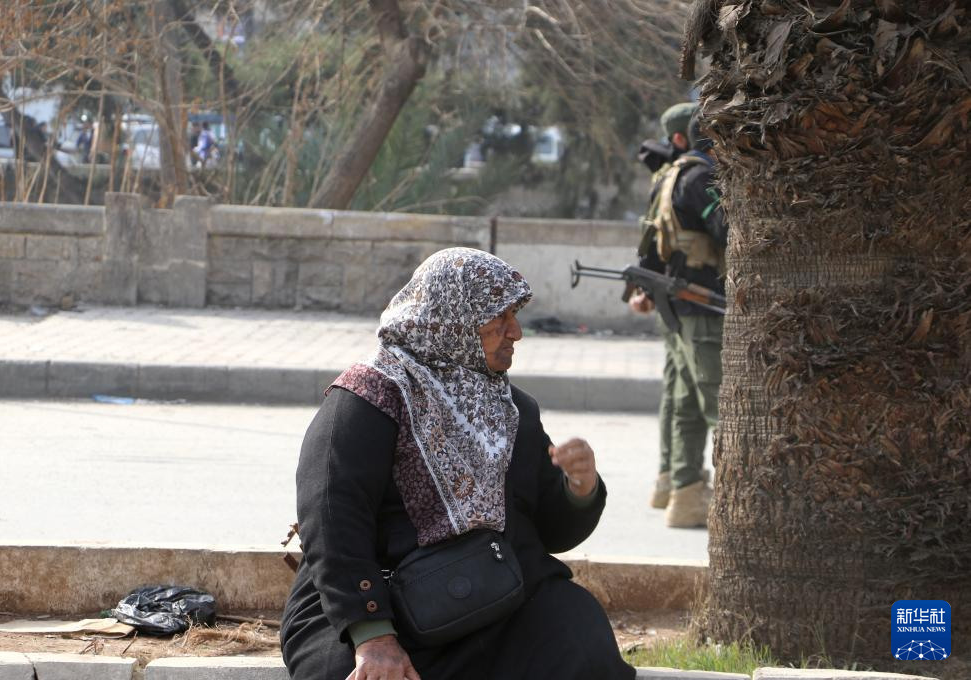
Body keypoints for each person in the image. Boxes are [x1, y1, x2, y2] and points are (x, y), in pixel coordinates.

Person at [280, 248, 635, 680]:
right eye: (498, 320)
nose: (516, 332)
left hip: (498, 597)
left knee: (580, 642)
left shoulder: (512, 410)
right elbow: (331, 517)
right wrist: (373, 636)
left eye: (515, 316)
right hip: (379, 606)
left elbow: (550, 531)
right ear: (451, 321)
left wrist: (579, 490)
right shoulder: (368, 398)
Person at [629, 108, 727, 528]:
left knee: (685, 401)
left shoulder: (671, 174)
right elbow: (729, 231)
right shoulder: (701, 178)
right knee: (719, 405)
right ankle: (720, 495)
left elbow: (651, 240)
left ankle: (683, 491)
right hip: (701, 307)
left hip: (680, 307)